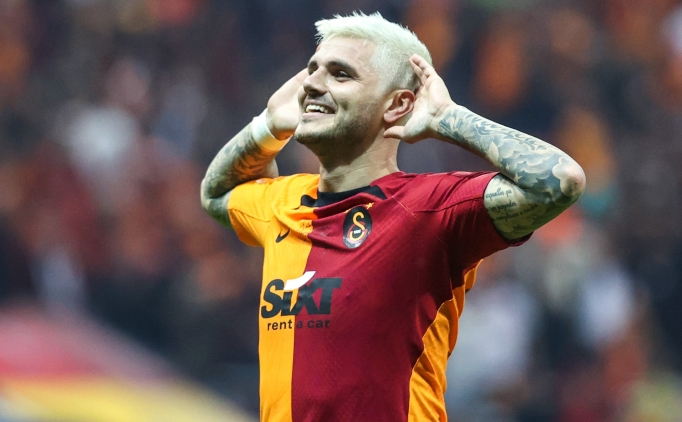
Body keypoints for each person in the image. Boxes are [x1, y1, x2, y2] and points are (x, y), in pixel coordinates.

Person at [200, 12, 585, 422]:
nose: (312, 83)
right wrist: (267, 126)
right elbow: (215, 193)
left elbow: (558, 180)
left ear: (398, 104)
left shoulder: (429, 209)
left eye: (340, 74)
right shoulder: (283, 202)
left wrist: (449, 119)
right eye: (313, 70)